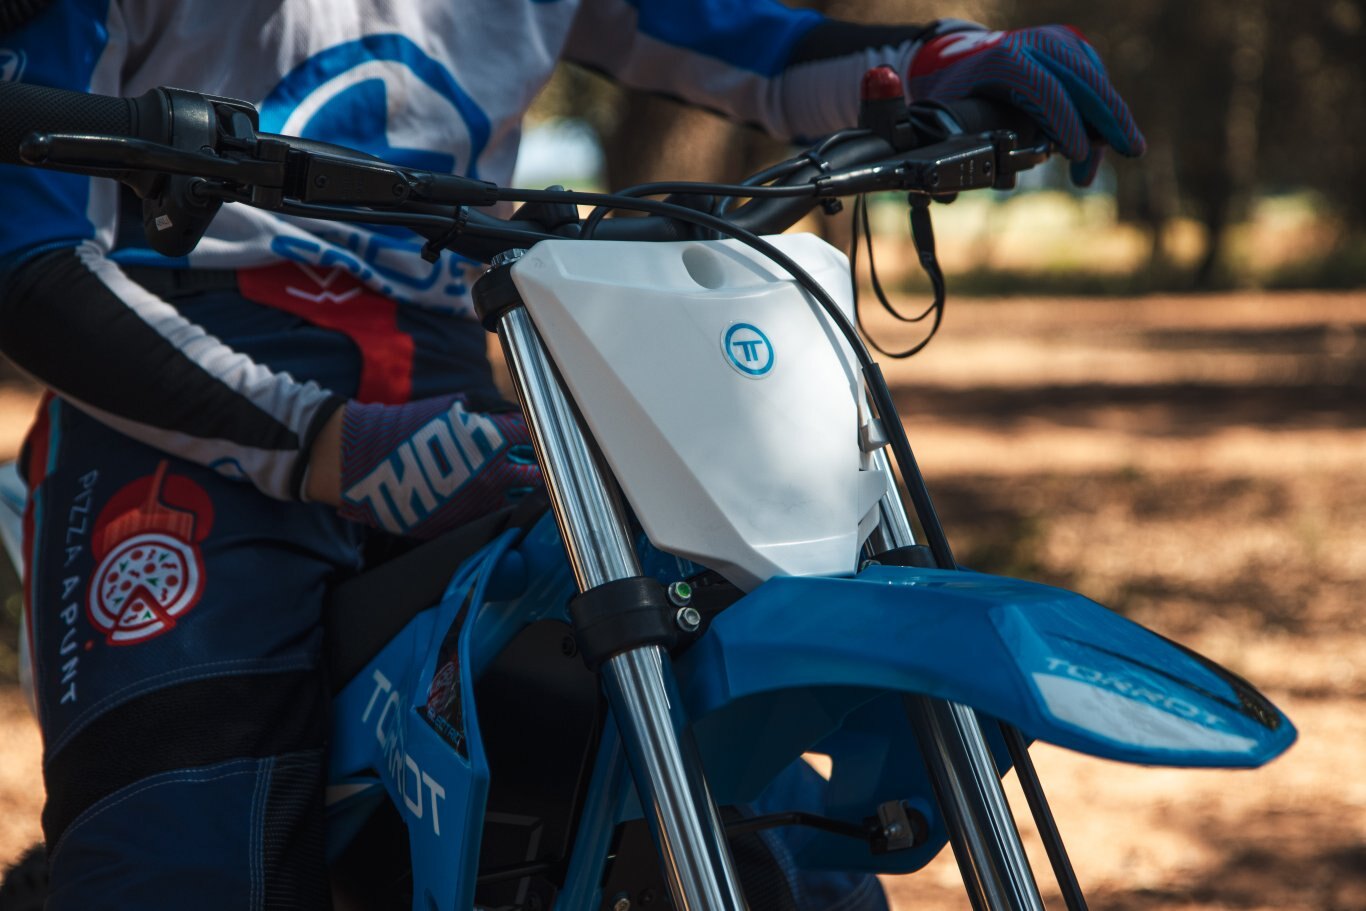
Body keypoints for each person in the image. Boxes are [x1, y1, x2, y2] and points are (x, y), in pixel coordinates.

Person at [0, 1, 1144, 907]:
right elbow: (24, 251)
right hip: (174, 399)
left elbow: (752, 42)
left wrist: (943, 58)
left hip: (455, 369)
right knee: (185, 844)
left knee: (730, 756)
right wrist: (321, 439)